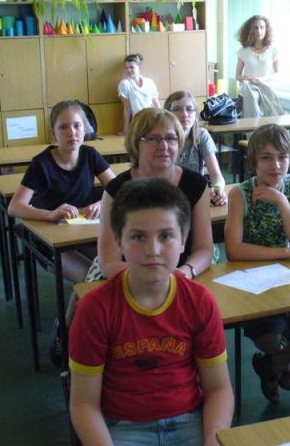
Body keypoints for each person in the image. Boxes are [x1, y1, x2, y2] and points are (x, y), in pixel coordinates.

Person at [69, 178, 234, 446]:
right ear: (119, 242)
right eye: (138, 237)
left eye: (166, 236)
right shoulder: (95, 310)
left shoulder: (199, 302)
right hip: (122, 427)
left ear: (183, 241)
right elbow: (83, 404)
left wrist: (212, 440)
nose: (153, 250)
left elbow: (218, 388)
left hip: (189, 420)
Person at [224, 123, 290, 402]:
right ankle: (279, 359)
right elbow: (234, 250)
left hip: (289, 276)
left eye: (282, 157)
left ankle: (273, 365)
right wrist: (285, 253)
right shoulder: (240, 193)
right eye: (266, 158)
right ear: (253, 162)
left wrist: (282, 202)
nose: (276, 165)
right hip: (249, 279)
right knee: (270, 339)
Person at [86, 108, 214, 283]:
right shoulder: (116, 190)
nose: (164, 146)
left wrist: (185, 272)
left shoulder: (196, 184)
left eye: (171, 138)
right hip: (128, 276)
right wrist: (157, 278)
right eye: (153, 139)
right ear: (135, 143)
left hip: (181, 275)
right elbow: (109, 262)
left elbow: (204, 249)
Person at [8, 100, 115, 282]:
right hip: (51, 239)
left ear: (85, 128)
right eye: (63, 127)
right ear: (53, 133)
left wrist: (100, 203)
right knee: (94, 278)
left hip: (84, 233)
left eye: (77, 125)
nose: (72, 132)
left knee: (113, 269)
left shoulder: (90, 154)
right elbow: (14, 207)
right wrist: (50, 214)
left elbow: (119, 189)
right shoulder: (41, 163)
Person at [164, 90, 227, 206]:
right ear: (167, 114)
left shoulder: (201, 135)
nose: (184, 114)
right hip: (167, 198)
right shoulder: (162, 139)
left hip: (194, 196)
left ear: (196, 114)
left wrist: (218, 190)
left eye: (189, 109)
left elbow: (217, 176)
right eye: (177, 109)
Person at [235, 15, 284, 118]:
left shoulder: (273, 50)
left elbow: (278, 74)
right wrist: (246, 79)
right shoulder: (243, 51)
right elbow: (238, 75)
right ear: (250, 30)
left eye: (262, 27)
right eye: (255, 28)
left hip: (267, 87)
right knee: (248, 92)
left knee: (271, 114)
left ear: (266, 29)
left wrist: (261, 80)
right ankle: (251, 125)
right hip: (249, 88)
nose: (259, 31)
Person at [118, 53, 161, 136]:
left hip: (153, 118)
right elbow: (127, 108)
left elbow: (156, 103)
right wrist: (126, 128)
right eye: (126, 68)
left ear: (139, 68)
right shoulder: (124, 84)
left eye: (131, 67)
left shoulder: (149, 82)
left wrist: (161, 121)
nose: (128, 70)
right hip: (138, 121)